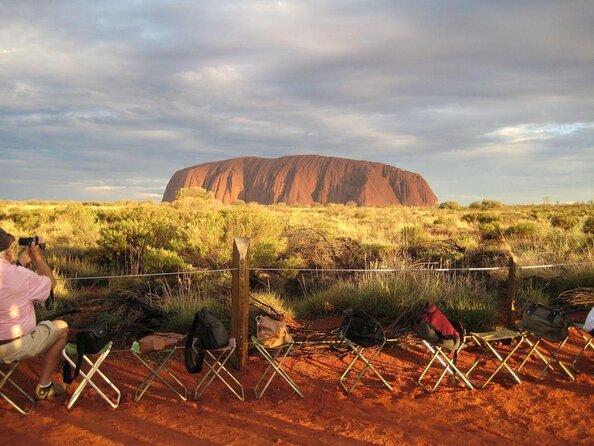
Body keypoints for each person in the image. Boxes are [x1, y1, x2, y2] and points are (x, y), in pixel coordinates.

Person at [0, 228, 69, 400]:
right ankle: (44, 386)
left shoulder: (17, 272)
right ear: (7, 251)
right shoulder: (19, 275)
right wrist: (37, 256)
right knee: (62, 328)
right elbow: (50, 283)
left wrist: (20, 264)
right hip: (13, 346)